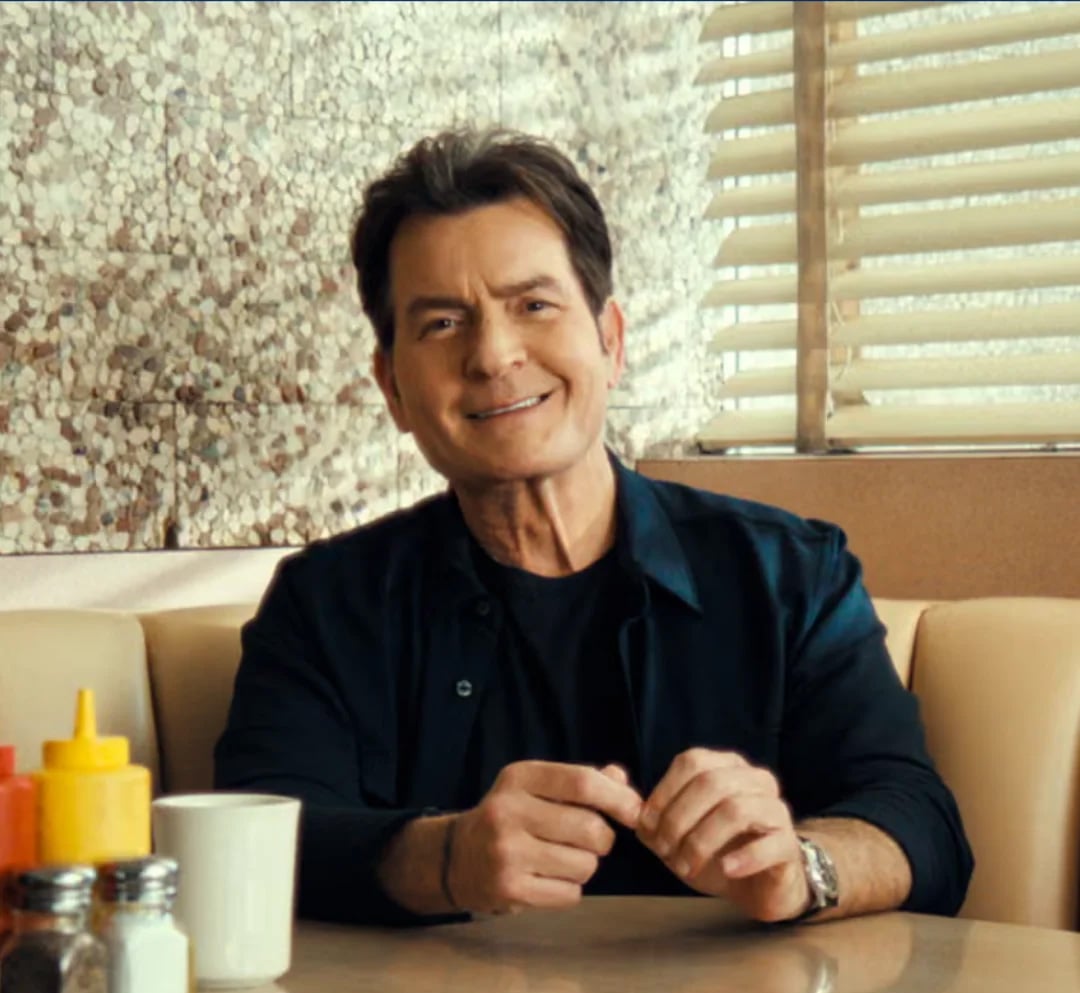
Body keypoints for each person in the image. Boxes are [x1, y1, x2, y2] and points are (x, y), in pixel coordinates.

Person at [215, 128, 973, 927]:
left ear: (610, 342)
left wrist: (800, 868)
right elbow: (255, 840)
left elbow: (917, 821)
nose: (494, 355)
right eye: (442, 324)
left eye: (533, 306)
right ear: (393, 389)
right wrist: (446, 859)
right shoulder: (328, 603)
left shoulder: (791, 574)